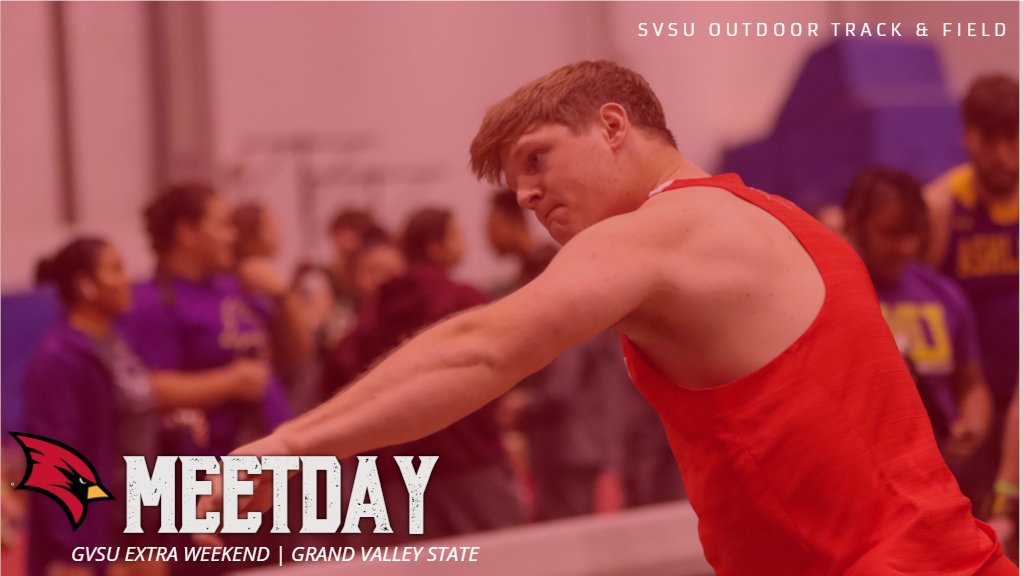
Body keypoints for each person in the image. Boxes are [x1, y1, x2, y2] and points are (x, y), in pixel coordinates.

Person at [199, 61, 1014, 574]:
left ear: (614, 126)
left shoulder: (662, 231)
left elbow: (482, 351)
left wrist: (289, 446)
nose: (524, 195)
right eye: (512, 183)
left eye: (538, 159)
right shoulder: (776, 217)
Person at [23, 238, 255, 576]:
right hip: (98, 535)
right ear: (85, 285)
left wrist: (171, 423)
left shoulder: (117, 343)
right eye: (115, 269)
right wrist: (73, 554)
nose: (127, 278)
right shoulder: (59, 358)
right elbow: (53, 458)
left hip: (140, 524)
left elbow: (125, 415)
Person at [334, 208, 526, 537]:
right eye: (457, 234)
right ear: (435, 246)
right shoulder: (464, 298)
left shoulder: (370, 320)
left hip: (400, 476)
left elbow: (342, 385)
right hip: (472, 461)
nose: (465, 242)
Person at [842, 168, 993, 499]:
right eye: (890, 233)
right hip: (864, 484)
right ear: (854, 225)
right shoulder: (835, 296)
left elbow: (972, 384)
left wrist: (972, 424)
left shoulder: (944, 294)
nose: (906, 247)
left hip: (942, 480)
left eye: (913, 233)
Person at [924, 75, 1019, 519]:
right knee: (972, 524)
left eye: (1014, 138)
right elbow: (914, 302)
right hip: (968, 399)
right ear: (968, 136)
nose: (1003, 155)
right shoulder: (942, 205)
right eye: (990, 140)